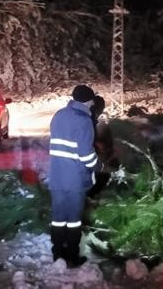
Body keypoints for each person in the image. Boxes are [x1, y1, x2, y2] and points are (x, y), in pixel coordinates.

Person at [47, 84, 100, 267]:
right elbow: (85, 154)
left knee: (58, 218)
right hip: (74, 180)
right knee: (73, 220)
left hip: (56, 176)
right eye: (92, 101)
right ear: (89, 100)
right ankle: (72, 256)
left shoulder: (59, 115)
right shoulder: (84, 121)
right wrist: (98, 165)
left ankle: (57, 254)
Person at [86, 95, 115, 198]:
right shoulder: (89, 120)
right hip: (84, 159)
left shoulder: (88, 118)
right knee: (104, 174)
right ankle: (90, 197)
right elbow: (89, 143)